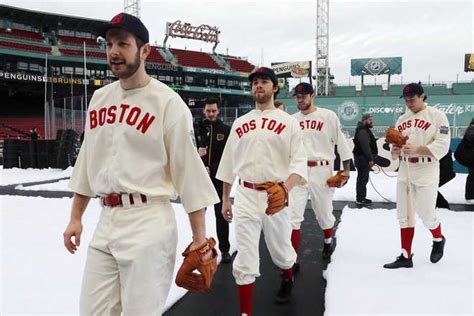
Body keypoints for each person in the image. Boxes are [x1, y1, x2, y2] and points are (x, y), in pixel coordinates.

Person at [62, 13, 219, 315]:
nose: (113, 52)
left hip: (149, 221)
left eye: (123, 43)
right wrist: (76, 217)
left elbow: (189, 174)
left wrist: (200, 239)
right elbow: (86, 163)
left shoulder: (168, 103)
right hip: (107, 221)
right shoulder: (99, 99)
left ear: (144, 51)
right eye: (109, 44)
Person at [216, 67, 307, 314]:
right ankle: (246, 312)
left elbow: (299, 163)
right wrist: (226, 200)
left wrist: (285, 189)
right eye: (255, 82)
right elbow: (228, 165)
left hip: (275, 196)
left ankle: (287, 276)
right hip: (245, 195)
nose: (259, 85)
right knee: (245, 258)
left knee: (281, 251)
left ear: (275, 87)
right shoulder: (240, 123)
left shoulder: (289, 123)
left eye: (264, 81)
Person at [384, 83, 450, 269]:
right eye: (405, 100)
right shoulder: (402, 119)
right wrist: (395, 151)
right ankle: (406, 256)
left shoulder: (437, 116)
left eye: (412, 99)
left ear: (422, 96)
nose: (408, 103)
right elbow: (394, 148)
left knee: (426, 213)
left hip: (427, 167)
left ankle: (438, 238)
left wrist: (420, 149)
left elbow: (443, 145)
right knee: (403, 214)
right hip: (405, 168)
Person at [290, 82, 352, 266]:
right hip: (298, 171)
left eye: (303, 96)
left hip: (322, 170)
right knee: (293, 217)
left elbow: (342, 144)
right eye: (297, 96)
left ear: (312, 95)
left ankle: (327, 241)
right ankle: (292, 260)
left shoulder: (328, 116)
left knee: (324, 214)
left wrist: (346, 170)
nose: (300, 99)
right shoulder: (291, 119)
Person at [196, 97, 232, 263]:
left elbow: (228, 155)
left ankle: (225, 249)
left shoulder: (225, 130)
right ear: (204, 110)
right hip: (200, 180)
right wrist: (198, 157)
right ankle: (199, 248)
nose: (211, 114)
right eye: (208, 111)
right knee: (198, 216)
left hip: (217, 179)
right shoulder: (195, 128)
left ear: (218, 111)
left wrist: (214, 168)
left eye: (214, 111)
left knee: (220, 215)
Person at [352, 113, 377, 205]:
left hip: (362, 158)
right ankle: (360, 198)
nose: (372, 122)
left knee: (362, 178)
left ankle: (361, 197)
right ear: (365, 120)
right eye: (370, 120)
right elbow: (365, 146)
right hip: (362, 158)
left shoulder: (364, 129)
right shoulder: (362, 131)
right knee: (363, 178)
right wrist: (370, 159)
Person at [454, 118, 474, 204]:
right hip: (470, 156)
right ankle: (470, 197)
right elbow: (470, 138)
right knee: (473, 175)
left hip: (470, 155)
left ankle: (470, 196)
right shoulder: (472, 128)